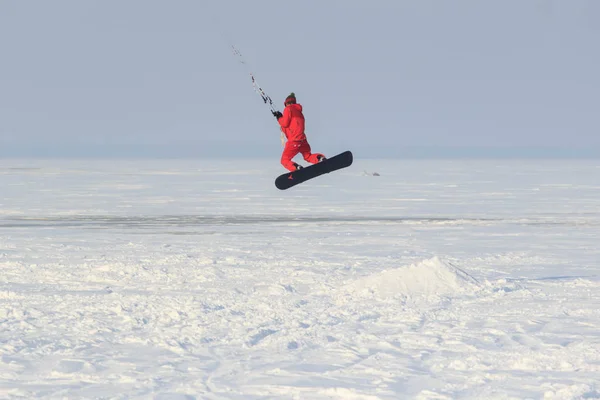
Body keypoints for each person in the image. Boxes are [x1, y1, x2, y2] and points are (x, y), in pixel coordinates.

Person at [273, 92, 326, 171]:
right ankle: (320, 158)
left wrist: (279, 118)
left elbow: (284, 123)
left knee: (284, 160)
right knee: (307, 156)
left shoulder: (288, 109)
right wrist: (280, 117)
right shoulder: (299, 112)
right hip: (303, 141)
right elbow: (291, 126)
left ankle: (296, 168)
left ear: (287, 103)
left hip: (294, 141)